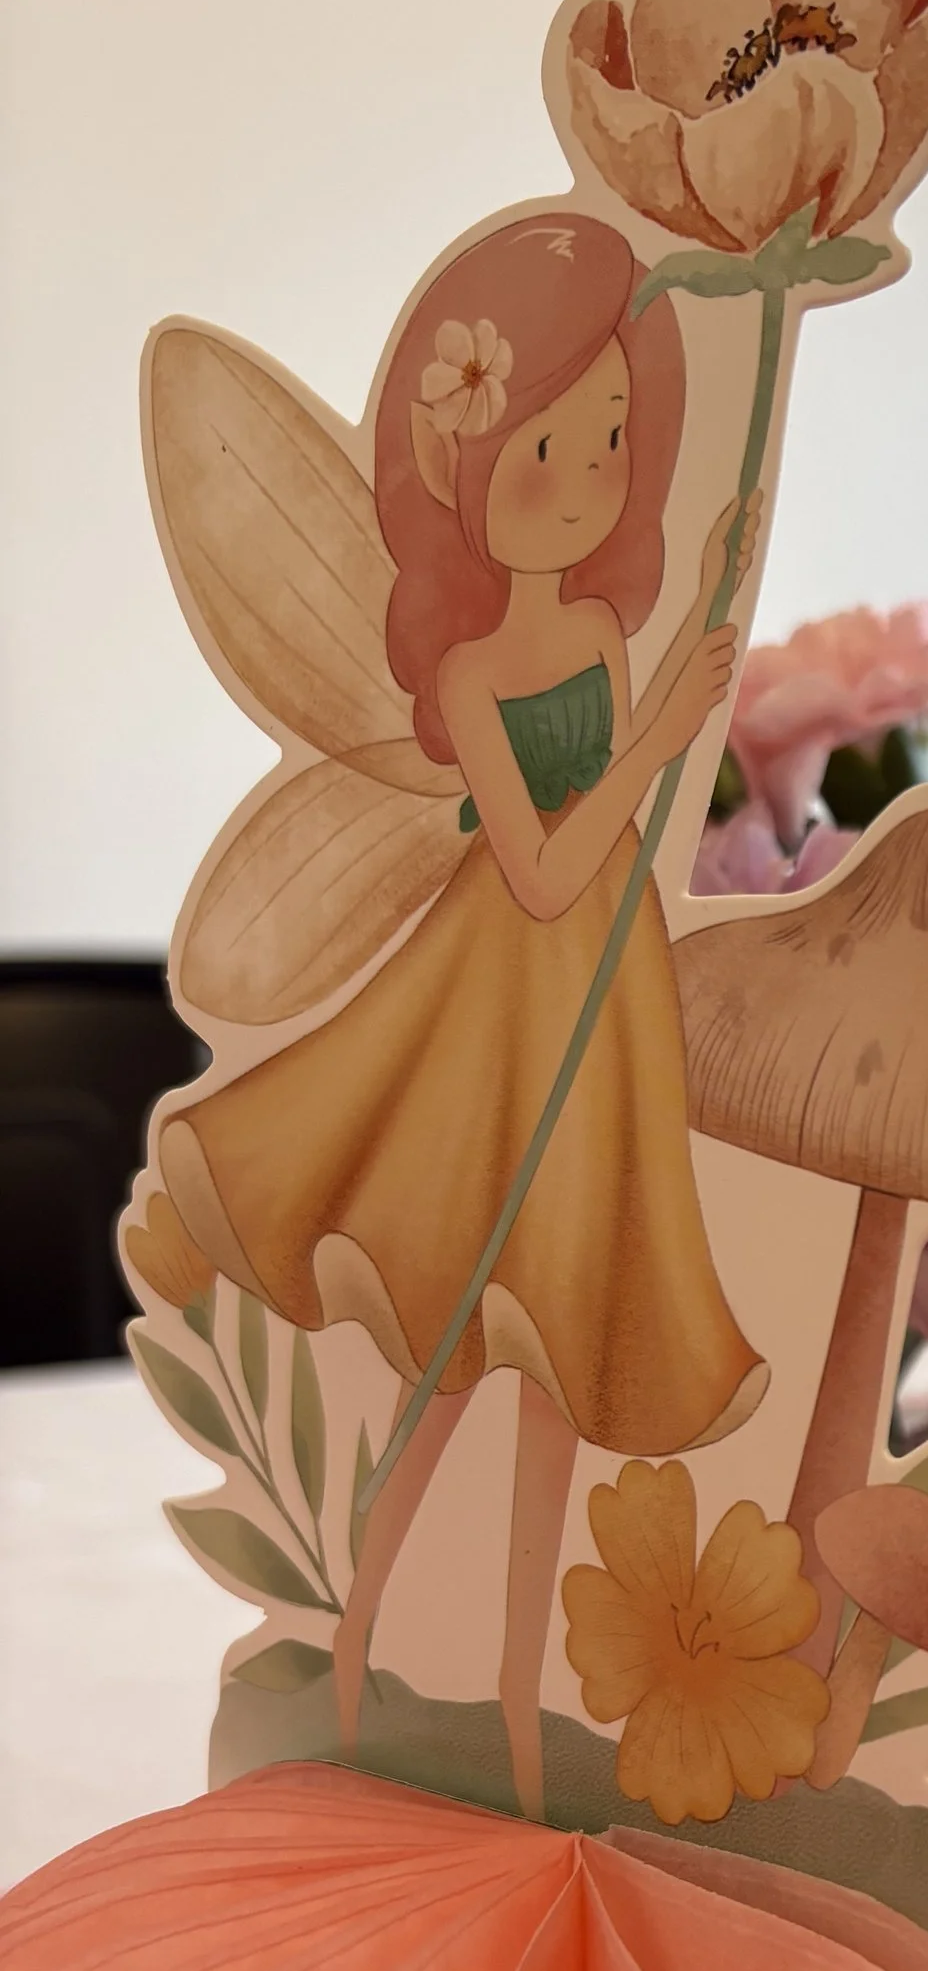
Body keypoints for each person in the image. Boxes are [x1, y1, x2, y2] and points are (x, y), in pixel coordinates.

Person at [157, 211, 764, 1818]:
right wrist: (653, 742)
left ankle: (517, 1711)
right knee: (454, 1349)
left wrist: (712, 593)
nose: (586, 477)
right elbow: (546, 869)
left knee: (562, 1352)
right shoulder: (481, 677)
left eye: (613, 438)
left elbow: (617, 846)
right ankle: (360, 1646)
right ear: (459, 466)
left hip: (609, 1003)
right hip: (507, 999)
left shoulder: (606, 629)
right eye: (545, 445)